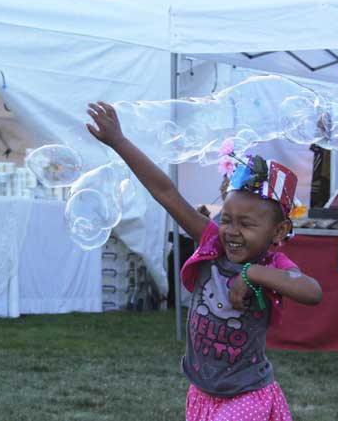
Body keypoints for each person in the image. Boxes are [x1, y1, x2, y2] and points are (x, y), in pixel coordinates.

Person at [86, 101, 322, 421]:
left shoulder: (273, 265)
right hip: (202, 392)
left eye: (247, 224)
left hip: (246, 394)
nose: (232, 232)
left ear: (278, 230)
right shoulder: (213, 242)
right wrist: (120, 142)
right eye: (227, 219)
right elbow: (165, 192)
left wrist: (253, 273)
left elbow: (312, 291)